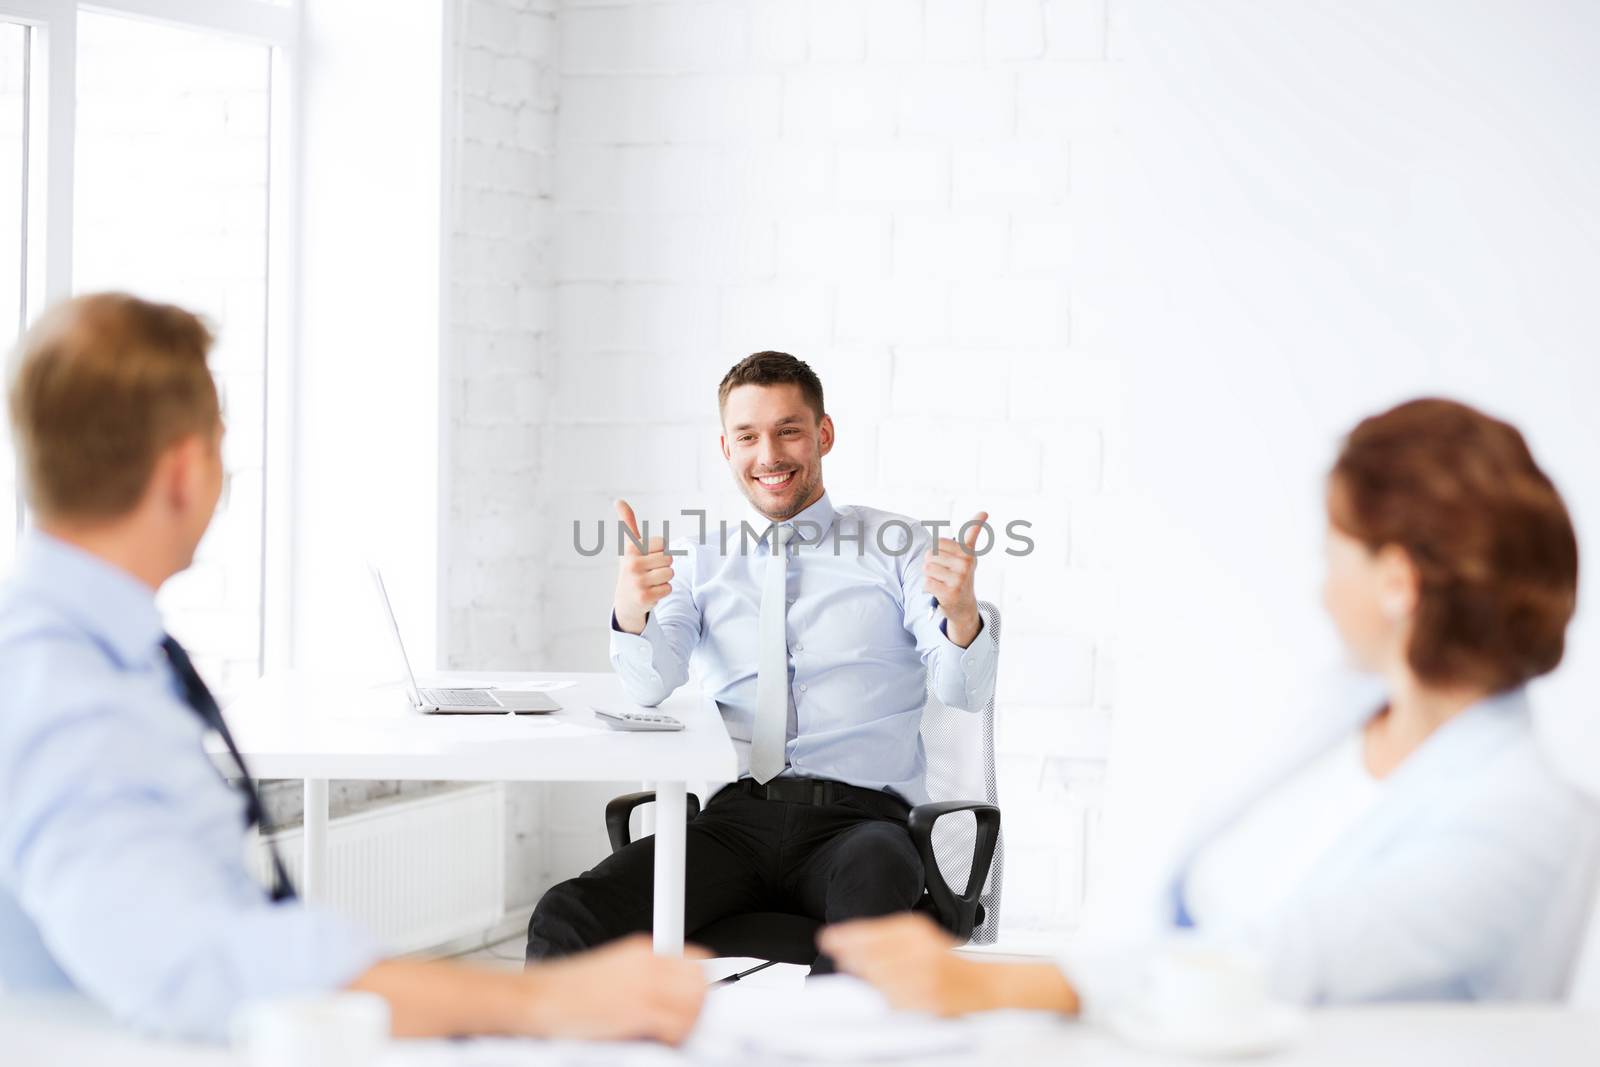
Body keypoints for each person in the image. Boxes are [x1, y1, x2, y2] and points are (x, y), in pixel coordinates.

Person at [0, 293, 707, 1043]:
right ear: (183, 471)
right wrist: (541, 1001)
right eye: (219, 444)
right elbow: (191, 963)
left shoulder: (102, 651)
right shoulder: (62, 690)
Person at [821, 397, 1596, 1015]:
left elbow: (1279, 962)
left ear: (1397, 582)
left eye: (1336, 554)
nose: (1321, 586)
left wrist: (1001, 985)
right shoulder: (1341, 709)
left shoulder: (1523, 816)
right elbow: (1171, 886)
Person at [525, 351, 998, 966]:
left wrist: (962, 617)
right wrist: (631, 613)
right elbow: (649, 682)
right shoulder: (701, 560)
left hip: (860, 825)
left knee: (871, 912)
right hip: (733, 825)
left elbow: (963, 692)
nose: (768, 455)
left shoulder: (900, 548)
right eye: (748, 436)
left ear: (823, 435)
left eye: (788, 431)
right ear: (726, 448)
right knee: (568, 915)